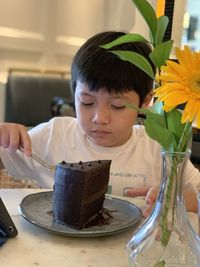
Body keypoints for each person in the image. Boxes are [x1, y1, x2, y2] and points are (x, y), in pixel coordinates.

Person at [0, 31, 199, 215]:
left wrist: (175, 200)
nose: (99, 118)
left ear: (146, 101)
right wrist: (4, 135)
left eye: (117, 106)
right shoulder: (55, 135)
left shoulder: (156, 146)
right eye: (87, 102)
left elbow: (197, 194)